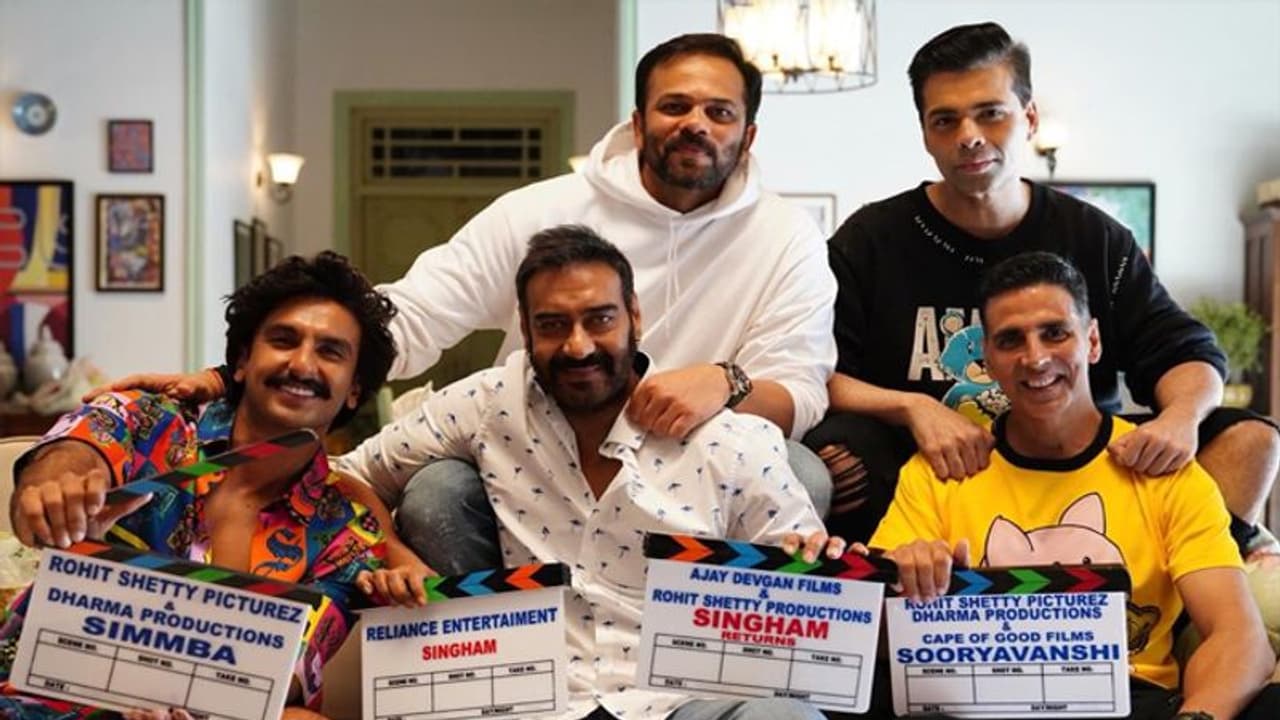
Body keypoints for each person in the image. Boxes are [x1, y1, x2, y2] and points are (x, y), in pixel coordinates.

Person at [93, 32, 837, 574]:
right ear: (639, 122)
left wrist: (723, 383)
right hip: (538, 459)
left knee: (800, 475)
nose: (696, 124)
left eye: (719, 111)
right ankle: (485, 660)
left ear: (748, 133)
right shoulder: (538, 211)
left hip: (698, 464)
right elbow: (410, 317)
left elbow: (801, 389)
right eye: (675, 106)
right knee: (437, 491)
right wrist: (230, 378)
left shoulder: (787, 238)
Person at [810, 21, 1280, 549]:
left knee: (1250, 439)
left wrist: (1181, 419)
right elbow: (815, 370)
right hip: (936, 477)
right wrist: (913, 407)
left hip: (1083, 471)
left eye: (991, 113)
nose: (969, 135)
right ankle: (887, 588)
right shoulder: (871, 239)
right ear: (925, 134)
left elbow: (1185, 352)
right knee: (841, 450)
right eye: (945, 120)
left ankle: (1185, 582)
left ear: (1029, 118)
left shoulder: (1096, 238)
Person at [344, 225, 841, 720]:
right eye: (552, 325)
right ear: (525, 329)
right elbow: (347, 473)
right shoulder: (492, 402)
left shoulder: (728, 440)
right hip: (530, 695)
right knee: (435, 490)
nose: (578, 347)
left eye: (599, 319)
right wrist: (398, 555)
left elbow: (805, 580)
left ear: (635, 316)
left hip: (677, 700)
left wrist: (823, 567)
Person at [866, 251, 1278, 720]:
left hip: (1129, 700)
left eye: (1055, 333)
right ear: (987, 360)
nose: (1036, 358)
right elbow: (870, 638)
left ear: (1093, 341)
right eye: (1010, 340)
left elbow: (1239, 636)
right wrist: (906, 579)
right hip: (979, 701)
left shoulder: (1164, 473)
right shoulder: (940, 472)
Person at [1, 252, 407, 720]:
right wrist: (59, 491)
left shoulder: (347, 536)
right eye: (283, 340)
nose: (301, 364)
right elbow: (73, 454)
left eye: (330, 352)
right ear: (241, 361)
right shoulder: (150, 420)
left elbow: (287, 674)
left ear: (354, 389)